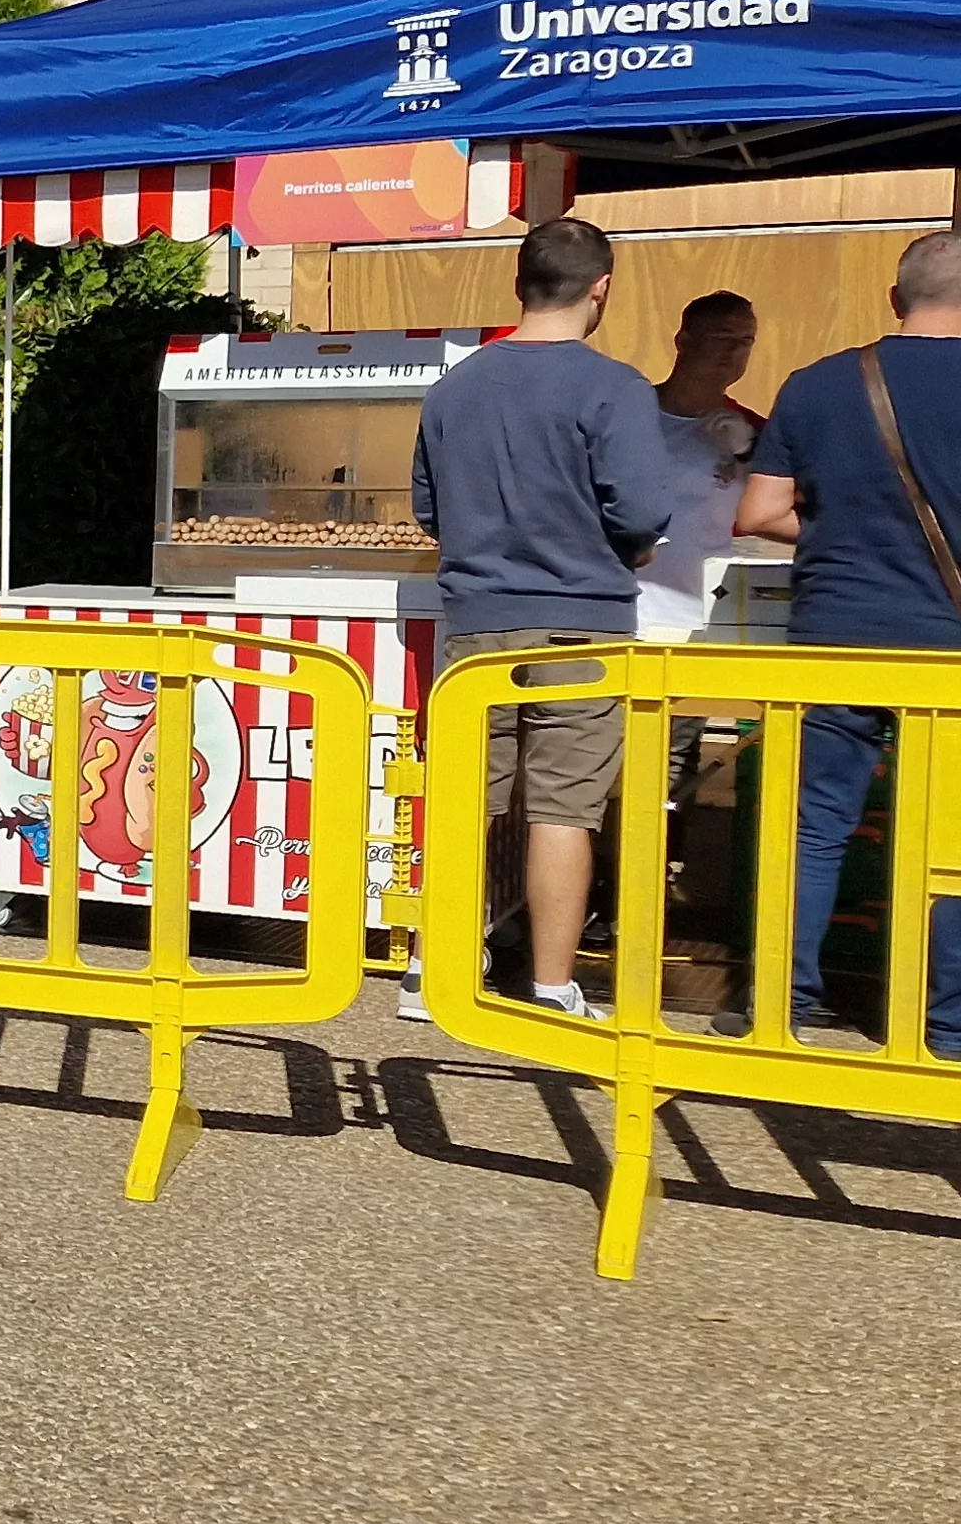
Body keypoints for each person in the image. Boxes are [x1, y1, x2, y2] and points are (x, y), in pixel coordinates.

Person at [404, 217, 671, 1025]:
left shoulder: (456, 386)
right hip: (583, 622)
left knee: (464, 798)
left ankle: (430, 969)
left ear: (519, 282)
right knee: (563, 807)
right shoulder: (614, 387)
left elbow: (427, 506)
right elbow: (645, 507)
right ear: (602, 288)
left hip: (478, 621)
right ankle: (552, 986)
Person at [728, 228, 961, 1056]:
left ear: (896, 301)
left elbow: (756, 514)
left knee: (814, 824)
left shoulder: (821, 384)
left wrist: (840, 538)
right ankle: (946, 1028)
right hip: (949, 652)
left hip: (832, 634)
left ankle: (777, 1002)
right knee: (951, 839)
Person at [640, 294, 765, 643]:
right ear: (683, 341)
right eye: (722, 338)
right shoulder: (628, 415)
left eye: (745, 341)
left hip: (714, 621)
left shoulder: (756, 430)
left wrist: (750, 450)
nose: (734, 352)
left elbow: (792, 505)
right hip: (631, 618)